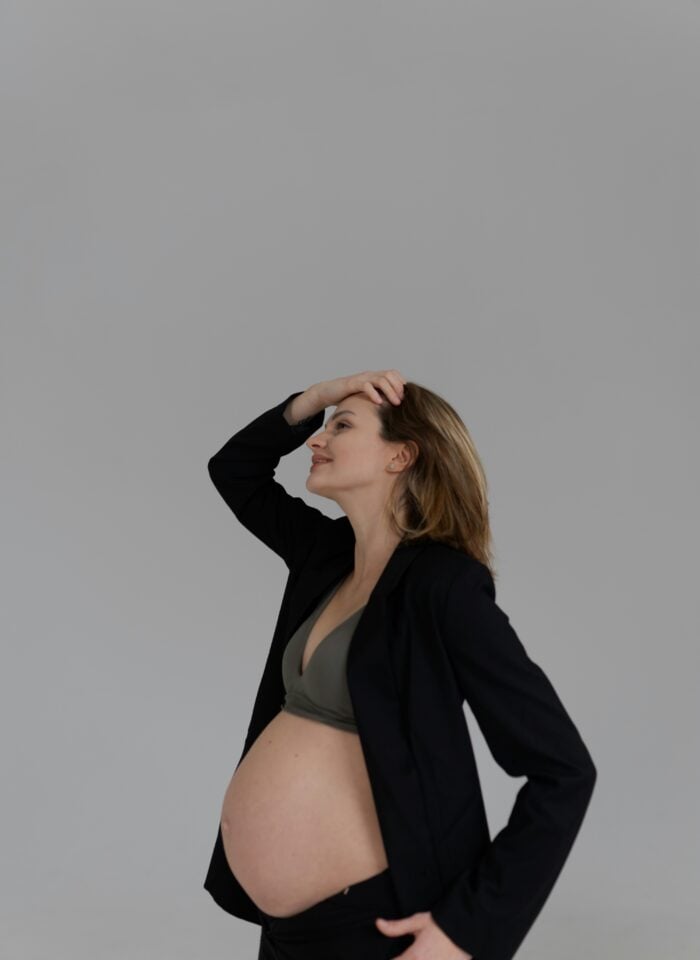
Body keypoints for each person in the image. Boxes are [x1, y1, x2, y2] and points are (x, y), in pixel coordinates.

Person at [203, 370, 597, 960]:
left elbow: (563, 770)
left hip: (376, 926)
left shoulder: (445, 586)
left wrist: (468, 929)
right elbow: (233, 470)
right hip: (285, 933)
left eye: (342, 425)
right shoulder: (327, 556)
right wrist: (318, 397)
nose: (318, 439)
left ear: (401, 455)